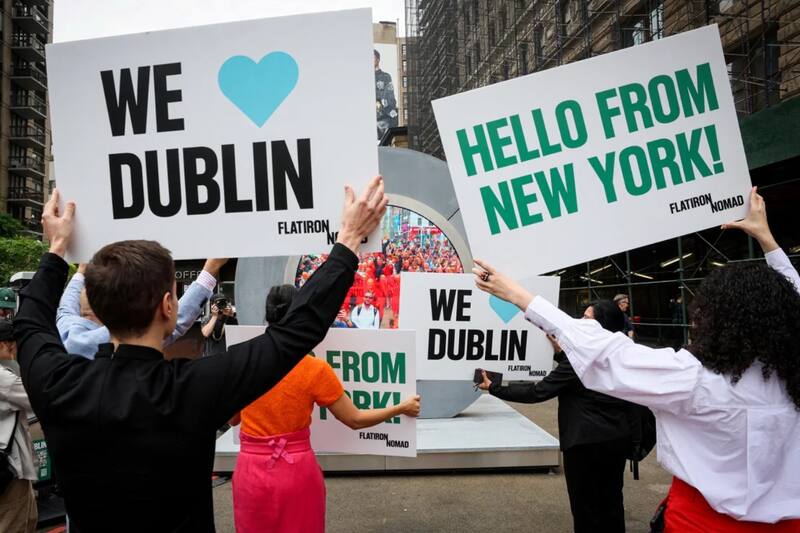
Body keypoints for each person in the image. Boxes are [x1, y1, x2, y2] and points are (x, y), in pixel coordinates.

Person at [13, 176, 388, 532]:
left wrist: (57, 250)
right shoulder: (193, 389)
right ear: (168, 306)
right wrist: (347, 241)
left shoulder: (56, 383)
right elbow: (294, 334)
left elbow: (29, 321)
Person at [472, 187, 800, 530]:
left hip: (699, 523)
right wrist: (768, 241)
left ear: (716, 321)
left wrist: (517, 294)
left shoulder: (694, 378)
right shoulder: (791, 375)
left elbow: (604, 353)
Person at [230, 284, 421, 532]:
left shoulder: (240, 357)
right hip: (296, 472)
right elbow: (355, 419)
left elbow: (233, 419)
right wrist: (401, 407)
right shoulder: (314, 369)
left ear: (268, 315)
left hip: (250, 473)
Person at [478, 300, 635, 533]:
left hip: (584, 444)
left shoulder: (580, 358)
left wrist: (494, 388)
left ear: (600, 325)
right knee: (611, 501)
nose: (580, 322)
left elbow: (537, 392)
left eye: (586, 318)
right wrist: (562, 354)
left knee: (585, 507)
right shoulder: (620, 353)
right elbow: (583, 381)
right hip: (616, 440)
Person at [57, 260, 225, 358]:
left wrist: (82, 270)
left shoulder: (64, 333)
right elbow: (170, 322)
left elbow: (66, 307)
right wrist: (211, 268)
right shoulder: (118, 340)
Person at [0, 320, 37, 532]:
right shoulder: (4, 379)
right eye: (13, 345)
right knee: (13, 523)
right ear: (3, 344)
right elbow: (38, 399)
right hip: (9, 466)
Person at [374, 48, 398, 139]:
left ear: (378, 59)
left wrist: (391, 110)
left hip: (384, 120)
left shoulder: (385, 76)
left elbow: (390, 96)